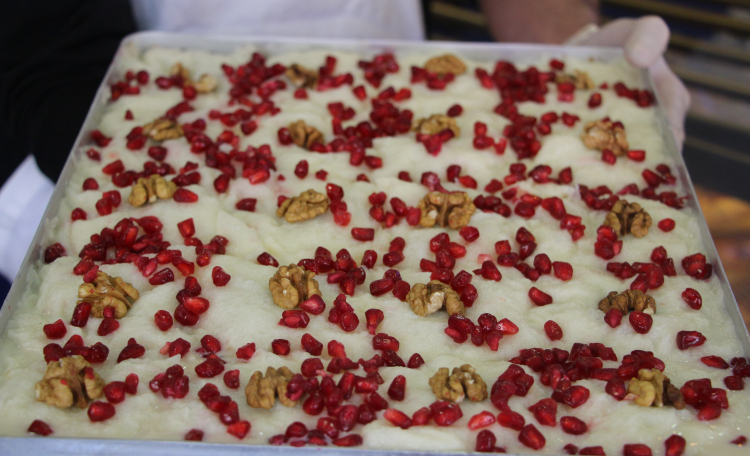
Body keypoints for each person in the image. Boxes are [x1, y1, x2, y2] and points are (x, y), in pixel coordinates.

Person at [0, 0, 689, 282]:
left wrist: (570, 50)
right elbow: (49, 51)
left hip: (402, 110)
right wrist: (163, 172)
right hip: (158, 124)